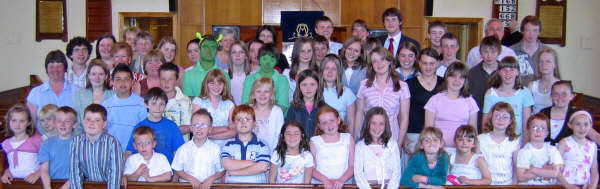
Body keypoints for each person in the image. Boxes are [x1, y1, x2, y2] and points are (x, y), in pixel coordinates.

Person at [356, 47, 410, 148]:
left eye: (382, 59)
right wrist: (356, 138)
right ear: (371, 65)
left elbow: (405, 118)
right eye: (375, 61)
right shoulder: (364, 85)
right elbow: (359, 113)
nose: (379, 64)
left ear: (389, 61)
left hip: (392, 137)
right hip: (369, 137)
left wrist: (399, 144)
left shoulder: (402, 86)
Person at [425, 62, 479, 150]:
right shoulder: (434, 100)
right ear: (446, 77)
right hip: (438, 149)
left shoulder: (470, 101)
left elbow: (473, 131)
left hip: (463, 150)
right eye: (453, 76)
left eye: (461, 77)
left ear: (465, 81)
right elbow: (428, 130)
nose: (457, 80)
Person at [69, 104, 124, 189]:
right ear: (83, 121)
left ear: (104, 124)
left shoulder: (112, 143)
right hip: (86, 186)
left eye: (97, 120)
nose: (91, 123)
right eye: (88, 119)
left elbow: (115, 174)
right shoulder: (76, 142)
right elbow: (74, 173)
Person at [27, 50, 81, 135]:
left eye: (59, 66)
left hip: (71, 142)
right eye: (51, 66)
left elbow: (81, 121)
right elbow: (31, 125)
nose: (55, 70)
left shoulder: (78, 91)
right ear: (47, 69)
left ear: (65, 68)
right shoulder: (35, 93)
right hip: (43, 142)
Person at [125, 87, 185, 163]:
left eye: (161, 104)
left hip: (167, 171)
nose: (158, 108)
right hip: (143, 170)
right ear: (146, 104)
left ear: (165, 106)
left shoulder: (172, 126)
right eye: (154, 104)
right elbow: (129, 152)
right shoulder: (139, 127)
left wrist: (177, 173)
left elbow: (179, 152)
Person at [482, 56, 534, 142]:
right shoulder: (490, 93)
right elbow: (485, 122)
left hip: (517, 142)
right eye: (504, 70)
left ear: (517, 72)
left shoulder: (525, 93)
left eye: (512, 70)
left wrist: (524, 145)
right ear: (499, 72)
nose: (508, 73)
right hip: (494, 143)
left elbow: (526, 123)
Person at [171, 109, 225, 188]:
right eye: (196, 125)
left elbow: (221, 170)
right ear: (191, 128)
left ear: (210, 129)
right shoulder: (183, 149)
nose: (199, 128)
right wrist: (191, 179)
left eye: (203, 125)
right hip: (188, 186)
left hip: (210, 187)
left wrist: (210, 179)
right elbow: (177, 169)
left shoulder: (216, 149)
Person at [405, 48, 443, 156]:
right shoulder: (408, 84)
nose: (428, 67)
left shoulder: (444, 83)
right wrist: (404, 137)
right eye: (425, 63)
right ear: (419, 63)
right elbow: (403, 112)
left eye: (432, 63)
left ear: (437, 64)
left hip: (437, 135)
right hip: (413, 135)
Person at [102, 64, 147, 150]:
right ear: (112, 82)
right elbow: (104, 130)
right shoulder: (106, 105)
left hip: (135, 151)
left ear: (132, 82)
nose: (122, 83)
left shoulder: (141, 103)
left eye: (126, 79)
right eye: (118, 79)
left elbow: (144, 130)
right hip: (112, 150)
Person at [354, 107, 401, 189]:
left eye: (381, 124)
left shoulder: (392, 145)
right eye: (373, 123)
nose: (377, 127)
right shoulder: (360, 147)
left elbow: (396, 172)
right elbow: (358, 174)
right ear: (367, 124)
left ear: (386, 125)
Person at [221, 105, 271, 183]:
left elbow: (262, 167)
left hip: (256, 186)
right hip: (232, 185)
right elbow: (227, 164)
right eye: (239, 119)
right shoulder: (228, 144)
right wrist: (252, 163)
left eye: (247, 119)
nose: (243, 122)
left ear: (254, 122)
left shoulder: (262, 144)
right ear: (234, 123)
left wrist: (234, 172)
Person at [541, 81, 600, 145]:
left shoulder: (578, 115)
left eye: (564, 94)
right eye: (556, 94)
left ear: (572, 96)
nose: (560, 97)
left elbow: (594, 135)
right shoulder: (543, 113)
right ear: (551, 96)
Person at [310, 107, 354, 188]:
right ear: (319, 125)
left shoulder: (348, 138)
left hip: (344, 185)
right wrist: (325, 180)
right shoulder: (314, 141)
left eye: (332, 120)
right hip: (321, 185)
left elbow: (352, 166)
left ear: (338, 120)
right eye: (324, 123)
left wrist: (341, 180)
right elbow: (311, 168)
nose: (329, 125)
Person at [478, 102, 520, 185]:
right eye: (497, 116)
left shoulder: (514, 141)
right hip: (485, 184)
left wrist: (514, 185)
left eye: (505, 117)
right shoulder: (480, 139)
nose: (500, 120)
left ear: (510, 121)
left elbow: (516, 166)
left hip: (507, 184)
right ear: (491, 118)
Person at [191, 69, 236, 147]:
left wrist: (209, 136)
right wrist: (224, 128)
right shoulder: (198, 102)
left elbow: (234, 131)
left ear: (224, 85)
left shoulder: (229, 104)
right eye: (212, 83)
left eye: (220, 83)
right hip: (204, 146)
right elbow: (198, 129)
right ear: (206, 84)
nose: (216, 86)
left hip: (226, 147)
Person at [515, 113, 563, 185]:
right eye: (534, 127)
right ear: (528, 131)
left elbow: (557, 173)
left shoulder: (552, 150)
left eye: (542, 128)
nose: (538, 131)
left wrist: (533, 170)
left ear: (547, 133)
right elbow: (521, 177)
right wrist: (545, 170)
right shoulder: (524, 152)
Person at [0, 104, 42, 184]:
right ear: (8, 121)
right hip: (14, 183)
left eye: (22, 121)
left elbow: (49, 161)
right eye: (14, 120)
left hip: (35, 182)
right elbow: (8, 164)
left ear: (29, 122)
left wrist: (38, 174)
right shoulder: (6, 144)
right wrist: (6, 173)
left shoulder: (36, 140)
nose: (17, 124)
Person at [468, 36, 502, 132]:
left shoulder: (505, 72)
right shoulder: (472, 73)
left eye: (493, 52)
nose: (489, 56)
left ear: (499, 53)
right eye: (485, 51)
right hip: (478, 120)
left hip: (500, 120)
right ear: (480, 53)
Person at [242, 44, 290, 112]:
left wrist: (256, 103)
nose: (267, 63)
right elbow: (245, 104)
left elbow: (283, 106)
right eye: (264, 59)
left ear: (276, 61)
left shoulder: (282, 80)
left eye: (272, 60)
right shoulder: (249, 79)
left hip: (276, 119)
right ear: (259, 59)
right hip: (254, 119)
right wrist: (273, 102)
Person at [558, 110, 599, 189]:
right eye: (578, 124)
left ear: (591, 126)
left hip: (584, 185)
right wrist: (568, 186)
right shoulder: (564, 143)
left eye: (586, 124)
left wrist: (593, 186)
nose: (582, 128)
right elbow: (556, 169)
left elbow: (594, 171)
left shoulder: (592, 146)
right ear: (570, 125)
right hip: (565, 185)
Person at [39, 106, 78, 189]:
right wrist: (47, 187)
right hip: (52, 183)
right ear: (55, 123)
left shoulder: (80, 144)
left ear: (74, 124)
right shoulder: (47, 144)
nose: (62, 124)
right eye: (59, 121)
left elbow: (79, 171)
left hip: (73, 185)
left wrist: (65, 187)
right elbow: (44, 170)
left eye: (67, 121)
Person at [72, 59, 115, 135]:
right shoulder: (79, 96)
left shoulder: (114, 96)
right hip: (84, 139)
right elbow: (77, 124)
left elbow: (115, 123)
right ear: (88, 75)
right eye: (94, 74)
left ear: (106, 76)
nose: (97, 78)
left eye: (101, 74)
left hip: (109, 138)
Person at [319, 55, 356, 136]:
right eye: (326, 68)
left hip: (341, 137)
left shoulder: (347, 93)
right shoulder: (314, 91)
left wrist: (351, 140)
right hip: (319, 137)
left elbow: (351, 122)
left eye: (334, 69)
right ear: (321, 70)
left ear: (339, 72)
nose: (330, 71)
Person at [286, 70, 326, 139]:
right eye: (304, 85)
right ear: (299, 87)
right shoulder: (293, 108)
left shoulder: (325, 108)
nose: (308, 88)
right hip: (299, 146)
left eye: (312, 84)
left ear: (318, 86)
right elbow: (287, 130)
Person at [248, 77, 284, 152]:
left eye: (266, 91)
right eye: (258, 91)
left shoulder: (277, 111)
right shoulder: (248, 110)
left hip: (271, 151)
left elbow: (280, 135)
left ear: (271, 94)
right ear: (253, 94)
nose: (262, 94)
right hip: (250, 151)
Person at [159, 63, 192, 141]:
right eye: (163, 79)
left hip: (181, 146)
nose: (166, 82)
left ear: (177, 80)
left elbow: (187, 128)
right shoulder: (154, 100)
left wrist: (163, 131)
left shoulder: (185, 101)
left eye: (170, 79)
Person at [511, 15, 549, 84]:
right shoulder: (512, 51)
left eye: (535, 30)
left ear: (539, 32)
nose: (531, 34)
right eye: (528, 30)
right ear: (522, 31)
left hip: (541, 91)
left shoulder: (547, 51)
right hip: (519, 91)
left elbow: (554, 74)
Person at [283, 37, 318, 103]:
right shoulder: (286, 74)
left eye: (309, 51)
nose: (306, 54)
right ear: (296, 52)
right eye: (302, 51)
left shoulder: (318, 72)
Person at [528, 47, 560, 113]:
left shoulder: (560, 86)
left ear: (555, 65)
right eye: (541, 61)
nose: (544, 65)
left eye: (548, 62)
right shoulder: (532, 86)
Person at [227, 40, 251, 105]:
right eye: (234, 52)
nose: (237, 55)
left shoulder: (252, 76)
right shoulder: (224, 75)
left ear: (246, 56)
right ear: (230, 56)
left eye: (241, 52)